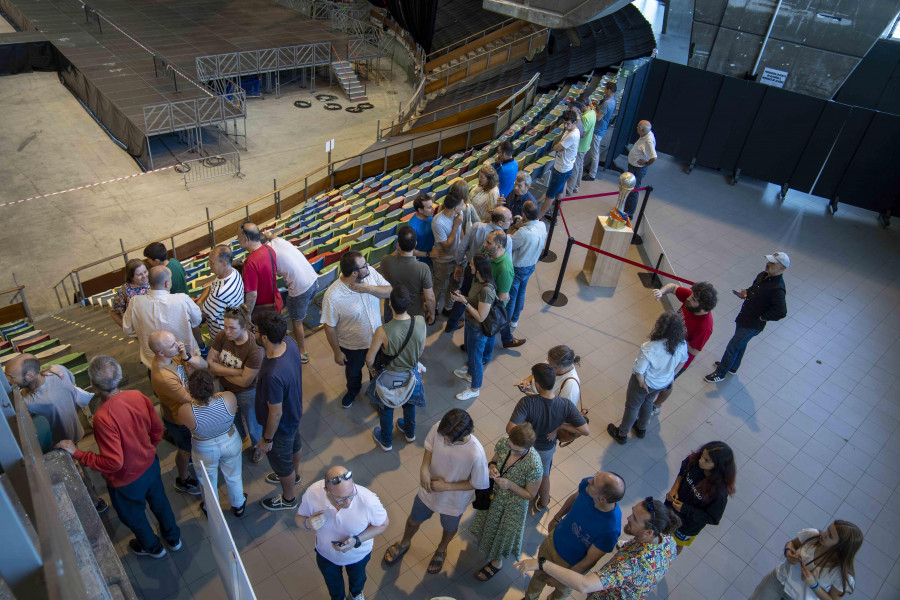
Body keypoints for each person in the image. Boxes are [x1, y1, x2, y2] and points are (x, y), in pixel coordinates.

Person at [56, 356, 182, 559]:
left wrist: (77, 453)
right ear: (120, 376)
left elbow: (114, 462)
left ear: (92, 384)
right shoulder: (138, 396)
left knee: (134, 516)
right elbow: (157, 430)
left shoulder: (103, 416)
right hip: (150, 465)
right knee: (160, 503)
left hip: (126, 480)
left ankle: (153, 547)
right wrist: (146, 449)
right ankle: (173, 538)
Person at [382, 409, 489, 575]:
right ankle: (404, 542)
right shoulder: (441, 428)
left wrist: (446, 486)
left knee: (449, 527)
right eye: (444, 435)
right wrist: (424, 468)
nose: (444, 439)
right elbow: (430, 446)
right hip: (429, 490)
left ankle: (441, 549)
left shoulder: (476, 453)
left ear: (463, 435)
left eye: (449, 439)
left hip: (454, 501)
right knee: (413, 521)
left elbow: (477, 483)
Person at [514, 498, 680, 600]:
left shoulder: (632, 565)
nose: (628, 518)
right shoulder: (667, 540)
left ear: (648, 532)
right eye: (632, 512)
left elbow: (585, 584)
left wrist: (542, 564)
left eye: (634, 519)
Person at [5, 354, 106, 512]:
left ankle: (94, 501)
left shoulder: (33, 402)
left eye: (11, 377)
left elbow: (15, 409)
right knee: (79, 465)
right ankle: (93, 493)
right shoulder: (61, 371)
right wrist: (53, 368)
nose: (8, 381)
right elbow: (70, 380)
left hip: (60, 442)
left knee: (75, 473)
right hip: (75, 430)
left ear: (30, 375)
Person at [523, 472, 625, 600]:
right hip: (552, 543)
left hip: (570, 565)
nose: (589, 481)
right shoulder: (588, 487)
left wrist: (563, 580)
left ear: (603, 499)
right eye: (595, 477)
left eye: (594, 482)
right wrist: (557, 516)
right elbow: (574, 497)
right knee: (538, 575)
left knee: (560, 593)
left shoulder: (610, 529)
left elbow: (589, 561)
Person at [295, 466, 389, 600]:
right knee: (333, 584)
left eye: (351, 494)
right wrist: (307, 523)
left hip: (358, 555)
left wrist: (357, 540)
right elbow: (298, 518)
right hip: (325, 554)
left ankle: (356, 594)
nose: (348, 502)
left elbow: (383, 524)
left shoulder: (368, 501)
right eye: (341, 498)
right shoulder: (313, 494)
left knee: (358, 578)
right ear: (327, 490)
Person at [508, 363, 589, 512]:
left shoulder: (526, 403)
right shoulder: (565, 405)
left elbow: (510, 429)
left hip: (526, 447)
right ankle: (543, 503)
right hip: (546, 448)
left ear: (537, 385)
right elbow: (585, 430)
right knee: (544, 475)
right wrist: (560, 426)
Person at [470, 422, 542, 581]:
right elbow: (493, 461)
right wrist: (491, 468)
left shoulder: (534, 464)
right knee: (489, 524)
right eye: (510, 446)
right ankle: (486, 542)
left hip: (512, 506)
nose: (511, 450)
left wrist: (511, 485)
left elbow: (530, 494)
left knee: (503, 534)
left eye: (516, 450)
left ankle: (497, 562)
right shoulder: (504, 443)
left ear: (527, 448)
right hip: (494, 497)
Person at [321, 251, 392, 409]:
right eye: (364, 266)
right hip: (352, 347)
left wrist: (369, 289)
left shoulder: (369, 275)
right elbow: (329, 327)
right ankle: (353, 391)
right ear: (354, 273)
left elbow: (389, 290)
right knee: (353, 374)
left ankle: (377, 395)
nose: (369, 267)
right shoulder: (333, 296)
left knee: (377, 371)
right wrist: (337, 352)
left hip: (377, 339)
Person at [705, 252, 789, 382]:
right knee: (741, 344)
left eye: (772, 263)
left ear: (782, 268)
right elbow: (755, 289)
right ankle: (733, 367)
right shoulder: (763, 275)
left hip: (753, 324)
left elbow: (781, 312)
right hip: (745, 317)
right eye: (769, 261)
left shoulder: (778, 289)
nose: (768, 264)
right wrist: (746, 293)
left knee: (733, 346)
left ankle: (720, 373)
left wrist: (763, 317)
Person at [608, 313, 687, 444]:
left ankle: (621, 433)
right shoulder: (682, 344)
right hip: (662, 383)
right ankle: (641, 428)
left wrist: (641, 382)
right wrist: (672, 375)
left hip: (645, 383)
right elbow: (683, 361)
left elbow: (639, 371)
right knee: (648, 402)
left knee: (632, 407)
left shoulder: (650, 347)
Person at [178, 370, 246, 517]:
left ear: (190, 391)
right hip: (230, 441)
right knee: (233, 475)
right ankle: (238, 504)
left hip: (204, 447)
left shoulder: (186, 411)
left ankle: (211, 509)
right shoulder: (228, 398)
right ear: (213, 385)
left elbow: (184, 423)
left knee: (207, 481)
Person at [366, 287, 427, 451]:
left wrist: (372, 371)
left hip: (389, 377)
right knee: (409, 404)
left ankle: (386, 440)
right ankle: (409, 432)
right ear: (408, 303)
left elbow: (369, 359)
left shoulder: (383, 331)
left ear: (390, 304)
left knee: (386, 409)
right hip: (411, 374)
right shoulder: (420, 321)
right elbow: (421, 349)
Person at [148, 330, 208, 495]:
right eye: (173, 344)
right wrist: (216, 404)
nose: (178, 345)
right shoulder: (164, 376)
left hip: (184, 412)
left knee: (188, 448)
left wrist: (186, 356)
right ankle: (182, 479)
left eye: (176, 341)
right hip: (178, 419)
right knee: (185, 449)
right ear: (160, 352)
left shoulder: (171, 357)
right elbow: (190, 399)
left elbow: (203, 366)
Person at [255, 312, 304, 511]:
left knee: (283, 465)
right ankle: (295, 474)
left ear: (265, 338)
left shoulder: (272, 373)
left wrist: (267, 440)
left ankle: (289, 498)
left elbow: (275, 413)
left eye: (256, 332)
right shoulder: (290, 343)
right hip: (294, 414)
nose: (254, 334)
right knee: (295, 446)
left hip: (281, 427)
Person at [207, 306, 264, 463]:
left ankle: (257, 447)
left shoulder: (254, 350)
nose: (227, 331)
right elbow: (210, 363)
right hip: (226, 389)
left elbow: (246, 382)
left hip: (247, 393)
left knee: (253, 424)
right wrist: (236, 372)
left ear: (244, 326)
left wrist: (221, 371)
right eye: (225, 326)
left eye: (232, 328)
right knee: (234, 417)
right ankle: (242, 438)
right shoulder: (222, 337)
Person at [750, 521, 862, 600]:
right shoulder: (813, 535)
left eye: (830, 536)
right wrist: (788, 552)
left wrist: (814, 585)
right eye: (827, 529)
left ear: (840, 547)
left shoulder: (841, 575)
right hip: (778, 581)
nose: (823, 534)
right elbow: (792, 543)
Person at [651, 281, 717, 415]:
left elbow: (694, 350)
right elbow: (672, 287)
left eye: (693, 299)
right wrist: (661, 292)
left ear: (703, 307)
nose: (688, 298)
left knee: (667, 383)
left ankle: (657, 404)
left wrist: (677, 335)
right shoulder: (691, 299)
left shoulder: (705, 327)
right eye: (691, 295)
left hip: (678, 360)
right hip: (666, 346)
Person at [443, 207, 512, 334]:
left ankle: (451, 324)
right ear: (501, 223)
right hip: (487, 277)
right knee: (477, 301)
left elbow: (461, 247)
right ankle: (482, 327)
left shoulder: (476, 226)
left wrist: (458, 264)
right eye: (509, 219)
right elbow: (508, 260)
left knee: (465, 295)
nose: (511, 222)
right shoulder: (507, 240)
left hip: (471, 270)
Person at [124, 266, 203, 370]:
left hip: (154, 362)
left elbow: (128, 330)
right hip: (186, 359)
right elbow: (197, 320)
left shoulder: (135, 302)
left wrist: (143, 333)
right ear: (167, 283)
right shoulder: (182, 299)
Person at [665, 441, 736, 554]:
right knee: (663, 531)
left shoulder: (719, 493)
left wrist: (685, 509)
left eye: (706, 460)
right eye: (702, 456)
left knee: (676, 544)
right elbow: (683, 471)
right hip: (670, 510)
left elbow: (713, 518)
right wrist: (675, 488)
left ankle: (667, 560)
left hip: (686, 525)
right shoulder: (694, 461)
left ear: (718, 466)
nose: (700, 461)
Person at [264, 231, 318, 363]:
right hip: (314, 281)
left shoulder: (268, 255)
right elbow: (273, 236)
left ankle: (302, 353)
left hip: (300, 290)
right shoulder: (279, 241)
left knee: (296, 321)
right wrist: (269, 234)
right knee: (299, 313)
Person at [450, 255, 496, 401]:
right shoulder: (478, 281)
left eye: (471, 264)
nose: (469, 266)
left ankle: (475, 388)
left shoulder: (487, 290)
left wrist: (464, 302)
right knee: (470, 352)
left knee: (476, 359)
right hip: (470, 324)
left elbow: (481, 316)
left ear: (478, 268)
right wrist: (462, 297)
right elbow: (474, 301)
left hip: (478, 328)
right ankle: (469, 374)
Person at [500, 200, 546, 343]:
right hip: (531, 264)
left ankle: (505, 323)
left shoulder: (523, 233)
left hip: (519, 266)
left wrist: (516, 227)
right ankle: (515, 320)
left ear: (524, 215)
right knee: (522, 291)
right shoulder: (542, 225)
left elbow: (509, 243)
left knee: (511, 296)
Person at [431, 180, 478, 314]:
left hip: (457, 259)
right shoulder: (438, 222)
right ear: (454, 207)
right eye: (461, 204)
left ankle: (448, 308)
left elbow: (461, 235)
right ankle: (433, 309)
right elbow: (446, 246)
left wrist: (462, 256)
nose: (465, 205)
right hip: (443, 260)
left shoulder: (459, 214)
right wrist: (456, 225)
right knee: (439, 286)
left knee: (455, 284)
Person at [378, 225, 435, 324]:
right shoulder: (423, 268)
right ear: (416, 243)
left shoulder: (385, 260)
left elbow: (390, 257)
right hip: (414, 314)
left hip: (391, 310)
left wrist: (398, 250)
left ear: (398, 245)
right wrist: (432, 314)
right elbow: (430, 297)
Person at [538, 109, 580, 221]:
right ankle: (554, 214)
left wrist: (557, 145)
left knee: (549, 196)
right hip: (563, 166)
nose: (565, 126)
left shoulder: (573, 135)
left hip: (562, 169)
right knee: (559, 192)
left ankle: (538, 218)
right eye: (564, 123)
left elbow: (557, 147)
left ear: (575, 123)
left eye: (568, 124)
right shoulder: (569, 131)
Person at [237, 222, 283, 318]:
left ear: (245, 239)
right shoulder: (268, 248)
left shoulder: (250, 262)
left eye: (239, 238)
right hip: (275, 302)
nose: (237, 240)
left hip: (263, 312)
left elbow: (252, 294)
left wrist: (247, 315)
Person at [198, 245, 245, 339]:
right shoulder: (234, 272)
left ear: (224, 263)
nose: (208, 264)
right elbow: (211, 287)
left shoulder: (220, 293)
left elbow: (200, 312)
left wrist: (199, 302)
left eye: (212, 262)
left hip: (222, 336)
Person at [515, 345, 582, 408]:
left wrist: (539, 399)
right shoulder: (553, 362)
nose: (548, 367)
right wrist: (527, 380)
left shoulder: (571, 385)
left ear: (564, 367)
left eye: (553, 367)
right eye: (548, 362)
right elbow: (540, 371)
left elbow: (561, 410)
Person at [584, 82, 617, 181]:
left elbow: (598, 117)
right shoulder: (611, 100)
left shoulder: (608, 103)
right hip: (601, 128)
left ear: (609, 90)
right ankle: (591, 170)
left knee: (594, 152)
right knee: (594, 150)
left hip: (599, 129)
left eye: (605, 89)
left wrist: (592, 107)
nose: (604, 90)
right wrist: (597, 106)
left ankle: (592, 174)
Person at [624, 120, 657, 215]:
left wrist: (646, 163)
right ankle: (625, 208)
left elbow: (653, 157)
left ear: (642, 130)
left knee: (634, 190)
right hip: (634, 167)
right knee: (630, 189)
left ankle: (629, 213)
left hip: (637, 169)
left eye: (638, 127)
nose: (636, 128)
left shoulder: (648, 141)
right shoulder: (645, 135)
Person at [566, 99, 595, 195]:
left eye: (571, 108)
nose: (569, 109)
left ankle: (569, 189)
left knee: (575, 168)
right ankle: (576, 186)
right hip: (586, 145)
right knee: (579, 167)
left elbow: (582, 134)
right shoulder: (592, 113)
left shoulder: (583, 119)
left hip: (580, 147)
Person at [109, 258, 149, 327]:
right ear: (131, 277)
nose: (144, 276)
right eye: (139, 274)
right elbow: (114, 313)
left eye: (145, 272)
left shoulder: (154, 281)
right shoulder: (124, 292)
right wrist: (127, 329)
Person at [407, 192, 436, 269]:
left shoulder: (429, 215)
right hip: (421, 263)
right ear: (420, 210)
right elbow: (410, 250)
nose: (433, 209)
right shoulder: (412, 227)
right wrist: (429, 254)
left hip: (432, 256)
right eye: (429, 207)